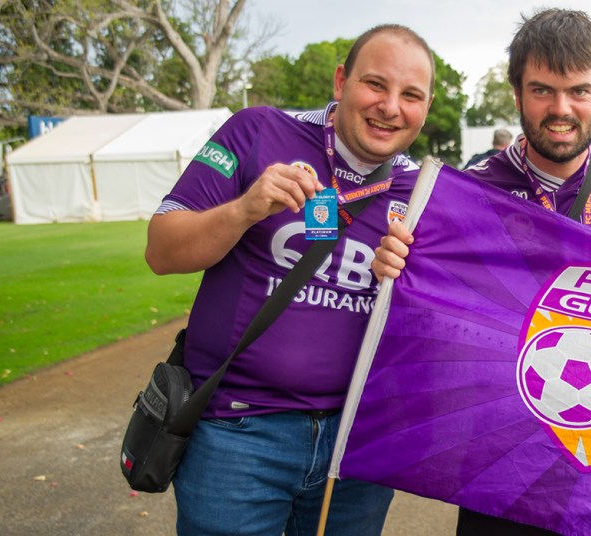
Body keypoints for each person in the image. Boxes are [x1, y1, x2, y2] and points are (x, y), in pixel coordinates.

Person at [372, 9, 591, 535]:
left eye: (579, 92)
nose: (561, 109)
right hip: (502, 460)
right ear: (517, 93)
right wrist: (395, 267)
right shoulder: (470, 190)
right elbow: (430, 311)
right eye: (542, 90)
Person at [144, 24, 434, 536]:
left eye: (411, 95)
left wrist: (409, 281)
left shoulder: (423, 191)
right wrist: (243, 210)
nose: (390, 106)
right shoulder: (257, 131)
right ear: (341, 81)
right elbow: (161, 251)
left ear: (426, 106)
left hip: (354, 446)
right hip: (238, 434)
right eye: (375, 84)